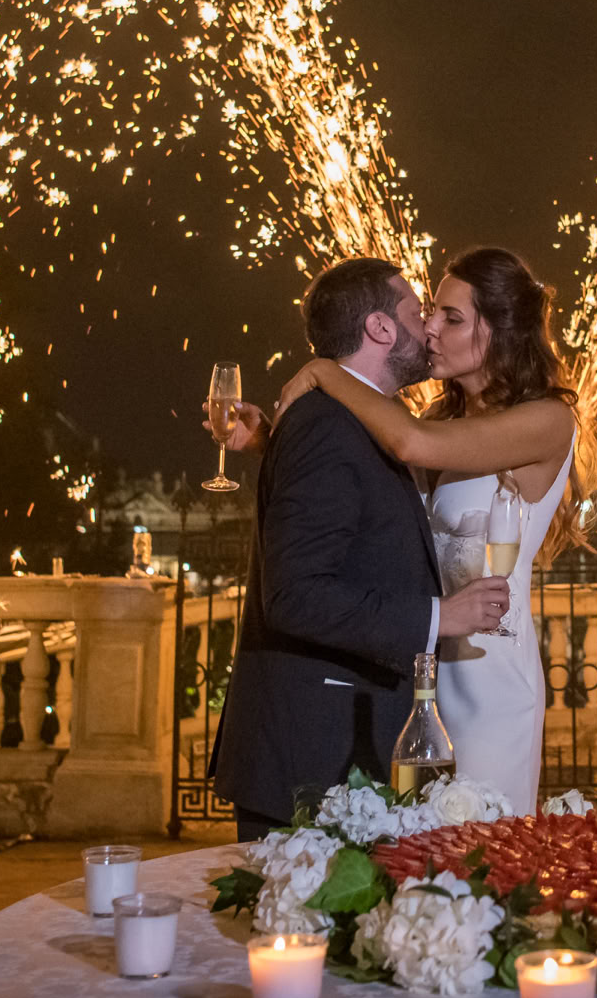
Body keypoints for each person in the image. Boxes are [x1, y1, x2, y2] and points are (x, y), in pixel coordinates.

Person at [269, 246, 588, 815]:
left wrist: (323, 370)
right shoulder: (440, 421)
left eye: (452, 317)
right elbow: (363, 485)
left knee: (478, 855)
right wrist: (268, 440)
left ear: (501, 332)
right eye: (431, 312)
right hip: (420, 673)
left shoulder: (546, 420)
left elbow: (408, 444)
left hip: (489, 681)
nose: (432, 329)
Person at [208, 257, 510, 840]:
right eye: (416, 311)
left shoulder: (352, 419)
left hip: (337, 749)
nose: (427, 327)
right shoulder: (327, 424)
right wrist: (440, 615)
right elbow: (295, 596)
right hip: (312, 760)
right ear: (379, 328)